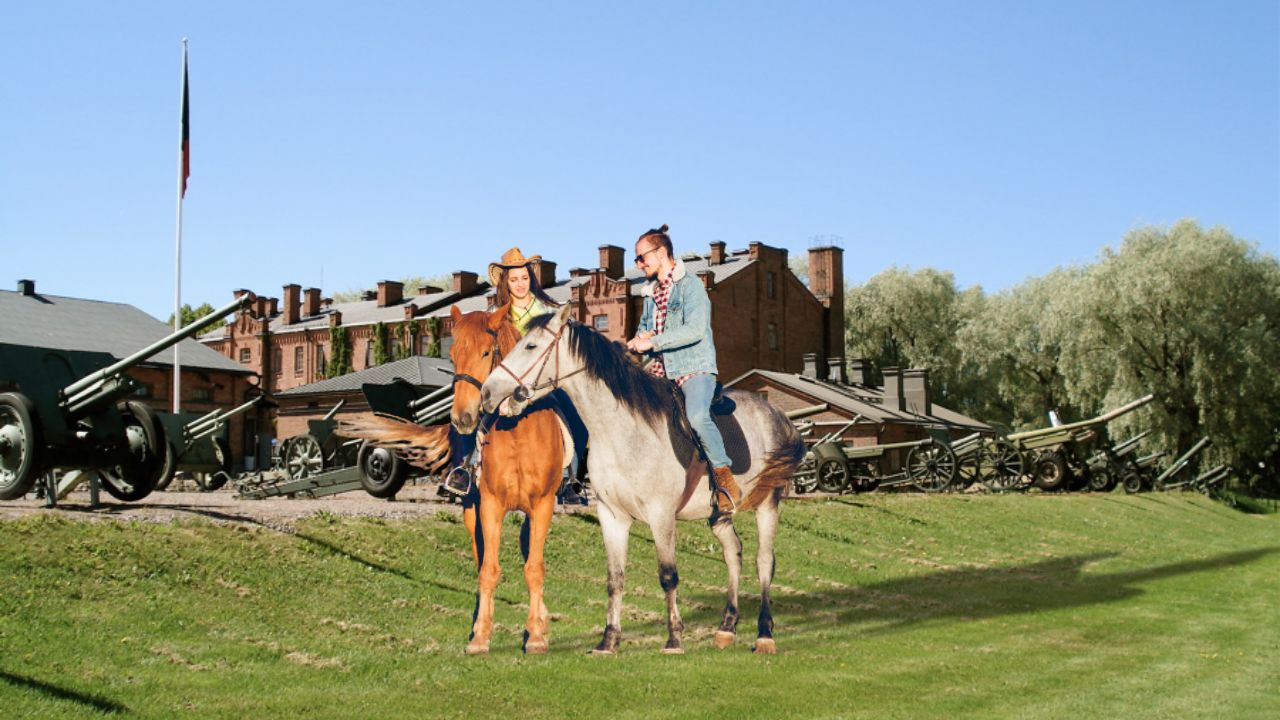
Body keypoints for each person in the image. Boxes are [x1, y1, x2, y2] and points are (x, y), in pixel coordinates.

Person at [625, 224, 741, 515]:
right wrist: (638, 339)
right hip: (661, 367)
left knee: (698, 416)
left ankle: (724, 477)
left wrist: (654, 341)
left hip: (693, 366)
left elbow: (695, 330)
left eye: (642, 257)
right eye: (637, 259)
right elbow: (645, 329)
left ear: (661, 253)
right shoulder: (651, 294)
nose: (638, 264)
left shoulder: (691, 286)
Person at [440, 247, 562, 497]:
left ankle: (571, 476)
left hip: (539, 380)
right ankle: (465, 467)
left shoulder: (547, 310)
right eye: (514, 279)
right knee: (474, 411)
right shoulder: (492, 313)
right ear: (505, 281)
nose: (520, 284)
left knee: (572, 410)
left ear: (532, 278)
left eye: (525, 278)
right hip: (504, 381)